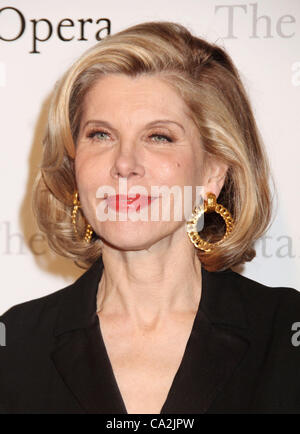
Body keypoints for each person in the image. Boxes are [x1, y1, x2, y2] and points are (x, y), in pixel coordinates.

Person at [0, 21, 299, 415]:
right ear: (74, 166)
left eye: (159, 136)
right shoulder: (17, 343)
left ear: (213, 171)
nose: (124, 165)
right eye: (100, 135)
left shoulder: (284, 335)